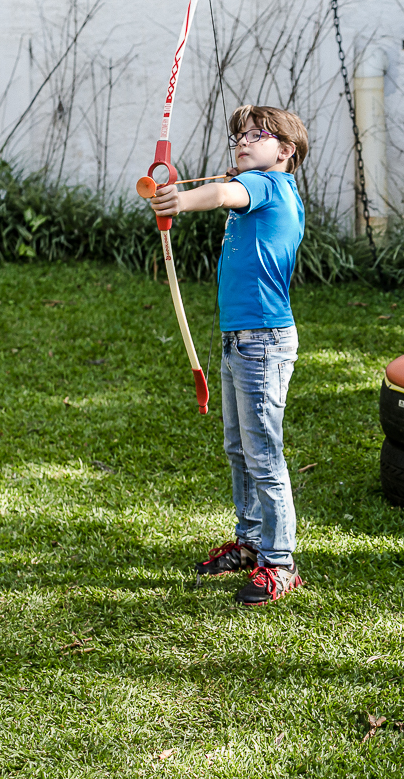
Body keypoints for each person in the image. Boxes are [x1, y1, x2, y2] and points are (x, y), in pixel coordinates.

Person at [150, 104, 309, 606]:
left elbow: (222, 193)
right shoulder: (259, 188)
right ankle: (251, 542)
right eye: (239, 135)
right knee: (239, 448)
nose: (242, 141)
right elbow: (228, 190)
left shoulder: (269, 186)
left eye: (257, 135)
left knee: (263, 454)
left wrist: (178, 200)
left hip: (262, 341)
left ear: (285, 151)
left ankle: (280, 564)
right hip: (240, 338)